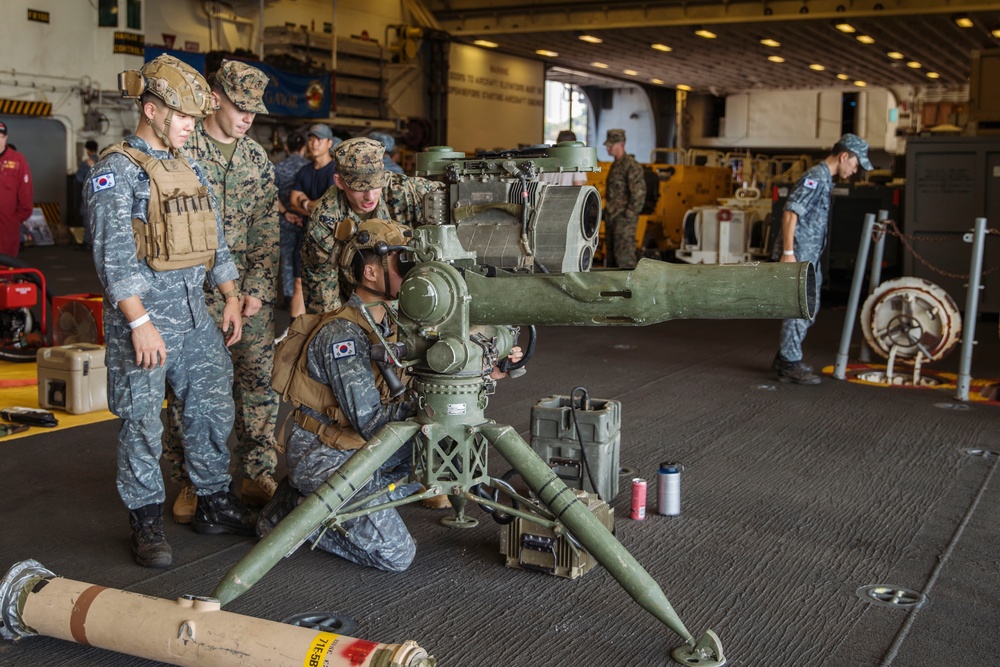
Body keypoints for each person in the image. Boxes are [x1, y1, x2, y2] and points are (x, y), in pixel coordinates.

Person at [258, 219, 522, 571]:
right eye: (403, 263)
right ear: (370, 272)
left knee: (448, 457)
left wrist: (480, 372)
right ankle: (300, 517)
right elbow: (372, 423)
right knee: (396, 555)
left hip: (364, 449)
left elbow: (415, 391)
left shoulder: (393, 326)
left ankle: (314, 501)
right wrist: (434, 413)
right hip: (328, 454)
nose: (415, 274)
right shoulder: (343, 337)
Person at [86, 54, 256, 569]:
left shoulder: (190, 166)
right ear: (152, 110)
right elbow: (112, 257)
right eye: (182, 117)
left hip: (194, 316)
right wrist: (139, 324)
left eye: (193, 118)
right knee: (141, 423)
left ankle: (213, 501)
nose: (190, 126)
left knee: (209, 410)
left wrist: (229, 295)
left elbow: (213, 240)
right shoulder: (115, 172)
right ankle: (145, 521)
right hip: (145, 324)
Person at [161, 59, 281, 519]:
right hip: (194, 295)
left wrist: (256, 289)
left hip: (248, 297)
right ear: (215, 99)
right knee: (190, 389)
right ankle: (192, 480)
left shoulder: (255, 158)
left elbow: (268, 227)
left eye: (254, 109)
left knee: (257, 384)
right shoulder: (182, 152)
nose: (248, 116)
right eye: (240, 106)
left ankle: (256, 472)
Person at [300, 136, 443, 314]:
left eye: (375, 184)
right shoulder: (325, 219)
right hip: (356, 304)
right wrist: (340, 328)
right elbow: (321, 290)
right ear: (340, 182)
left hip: (414, 295)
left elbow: (452, 198)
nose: (370, 196)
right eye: (360, 188)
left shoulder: (401, 190)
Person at [772, 133, 872, 385]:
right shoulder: (815, 178)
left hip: (808, 255)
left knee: (808, 308)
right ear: (844, 156)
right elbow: (790, 214)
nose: (855, 170)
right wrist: (788, 253)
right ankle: (788, 362)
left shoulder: (824, 179)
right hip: (798, 255)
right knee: (801, 307)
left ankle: (787, 356)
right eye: (856, 164)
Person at [287, 123, 339, 317]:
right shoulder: (304, 171)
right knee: (299, 283)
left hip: (330, 238)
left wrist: (305, 203)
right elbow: (293, 203)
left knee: (329, 286)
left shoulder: (335, 171)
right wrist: (312, 205)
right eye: (311, 139)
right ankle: (296, 332)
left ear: (329, 143)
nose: (314, 143)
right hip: (305, 235)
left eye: (319, 139)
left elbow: (326, 206)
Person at [602, 128, 645, 269]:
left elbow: (638, 193)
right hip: (612, 219)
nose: (608, 148)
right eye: (607, 145)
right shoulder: (616, 166)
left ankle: (628, 290)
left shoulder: (630, 165)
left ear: (621, 144)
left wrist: (628, 216)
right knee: (612, 262)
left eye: (611, 145)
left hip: (624, 222)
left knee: (625, 260)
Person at [275, 133, 309, 308]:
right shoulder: (309, 168)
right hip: (306, 220)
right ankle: (303, 295)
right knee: (306, 258)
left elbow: (272, 193)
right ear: (304, 148)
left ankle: (289, 297)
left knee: (287, 258)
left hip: (286, 221)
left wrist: (286, 212)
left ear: (287, 148)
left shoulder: (279, 167)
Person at [0, 120, 34, 257]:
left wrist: (15, 219)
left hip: (8, 224)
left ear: (6, 138)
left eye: (1, 137)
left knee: (6, 265)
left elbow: (26, 192)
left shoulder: (18, 160)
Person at [75, 140, 100, 245]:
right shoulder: (102, 161)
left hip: (89, 194)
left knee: (87, 217)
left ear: (87, 151)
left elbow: (79, 178)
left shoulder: (86, 163)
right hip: (101, 195)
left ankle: (87, 242)